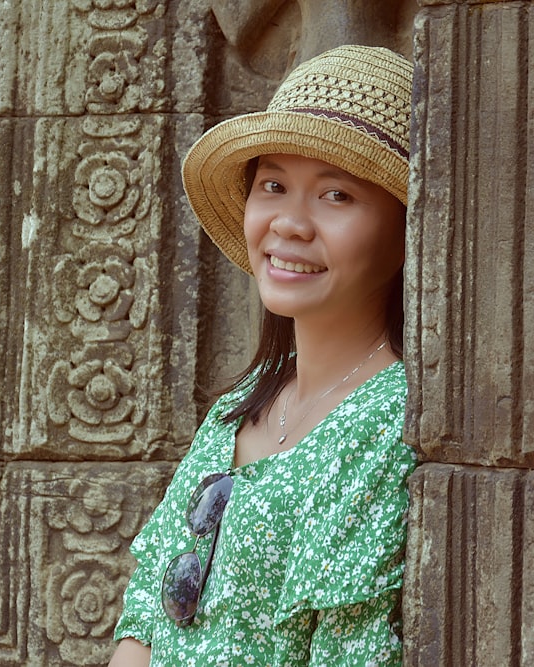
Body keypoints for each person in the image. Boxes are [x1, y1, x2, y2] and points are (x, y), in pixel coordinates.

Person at [108, 44, 416, 667]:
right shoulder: (235, 412)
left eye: (336, 196)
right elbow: (145, 614)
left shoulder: (391, 421)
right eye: (274, 185)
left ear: (409, 226)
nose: (289, 224)